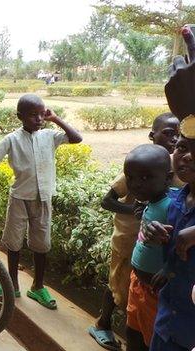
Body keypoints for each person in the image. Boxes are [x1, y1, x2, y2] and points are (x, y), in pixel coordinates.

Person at [0, 94, 82, 309]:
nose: (39, 119)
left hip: (42, 199)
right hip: (19, 198)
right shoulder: (12, 139)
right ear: (20, 117)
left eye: (42, 114)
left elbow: (77, 138)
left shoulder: (50, 136)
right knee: (13, 243)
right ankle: (12, 285)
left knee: (41, 244)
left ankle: (37, 287)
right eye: (33, 115)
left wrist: (57, 119)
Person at [88, 113, 180, 351]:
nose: (174, 139)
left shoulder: (178, 166)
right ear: (153, 135)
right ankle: (102, 324)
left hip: (152, 251)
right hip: (127, 239)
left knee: (137, 296)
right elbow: (107, 201)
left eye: (177, 134)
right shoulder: (138, 163)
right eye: (168, 133)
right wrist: (134, 209)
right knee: (117, 287)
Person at [143, 135, 195, 351]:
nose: (188, 156)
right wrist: (151, 231)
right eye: (182, 147)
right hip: (167, 320)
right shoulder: (175, 201)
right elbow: (173, 248)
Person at [123, 145, 173, 350]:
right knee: (132, 333)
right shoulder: (151, 202)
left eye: (145, 178)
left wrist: (170, 267)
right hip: (138, 285)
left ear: (168, 178)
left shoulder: (173, 205)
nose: (135, 184)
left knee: (151, 340)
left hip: (156, 292)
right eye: (130, 177)